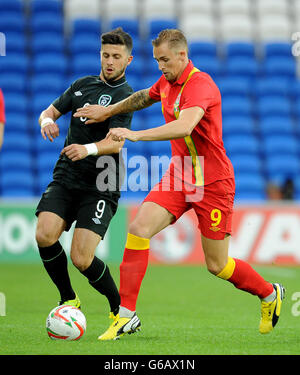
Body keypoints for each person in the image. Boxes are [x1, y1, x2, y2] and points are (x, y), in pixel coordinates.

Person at [74, 29, 285, 340]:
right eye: (157, 60)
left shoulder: (201, 85)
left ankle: (269, 293)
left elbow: (184, 125)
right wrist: (109, 110)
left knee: (217, 264)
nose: (161, 65)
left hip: (213, 181)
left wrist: (135, 135)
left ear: (183, 56)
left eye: (165, 60)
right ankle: (125, 315)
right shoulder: (169, 82)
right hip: (180, 173)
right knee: (138, 228)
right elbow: (144, 95)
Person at [35, 28, 134, 321]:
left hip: (102, 182)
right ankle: (68, 298)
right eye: (106, 55)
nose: (110, 61)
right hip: (67, 176)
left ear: (129, 59)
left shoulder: (125, 96)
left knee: (81, 258)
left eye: (117, 56)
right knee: (44, 234)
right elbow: (49, 111)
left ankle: (121, 309)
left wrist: (88, 149)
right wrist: (45, 122)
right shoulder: (81, 85)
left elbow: (116, 142)